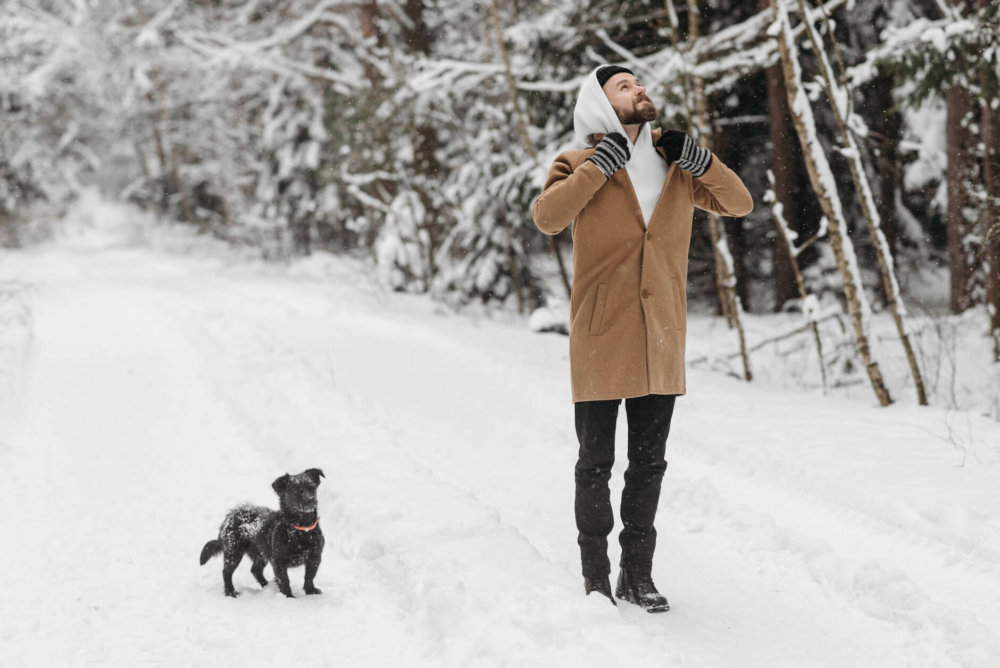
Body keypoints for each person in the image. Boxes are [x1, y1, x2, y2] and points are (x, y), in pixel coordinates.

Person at [532, 64, 753, 612]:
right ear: (601, 102)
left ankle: (639, 574)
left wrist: (700, 159)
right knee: (595, 464)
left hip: (661, 336)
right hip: (601, 333)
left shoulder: (676, 163)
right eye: (625, 86)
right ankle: (595, 577)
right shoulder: (578, 161)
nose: (641, 90)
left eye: (641, 83)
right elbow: (548, 218)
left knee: (649, 465)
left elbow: (740, 202)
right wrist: (599, 169)